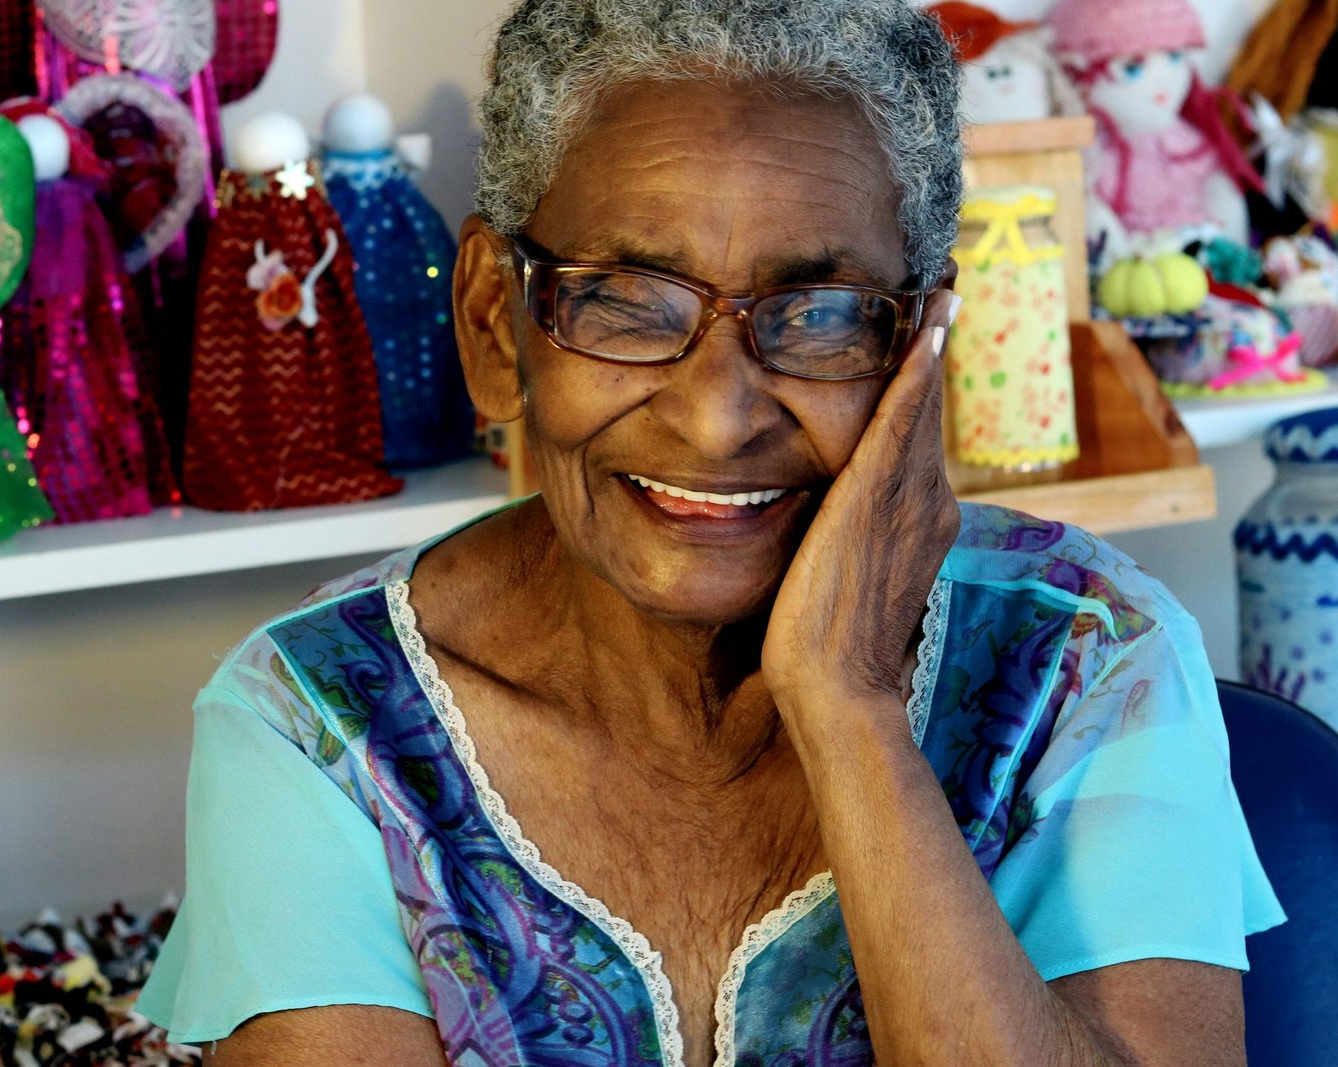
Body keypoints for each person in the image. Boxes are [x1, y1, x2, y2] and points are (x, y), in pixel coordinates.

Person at [135, 1, 1285, 1063]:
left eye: (823, 314)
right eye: (627, 299)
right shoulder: (321, 723)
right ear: (495, 320)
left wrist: (849, 709)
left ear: (924, 347)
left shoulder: (1088, 656)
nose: (719, 413)